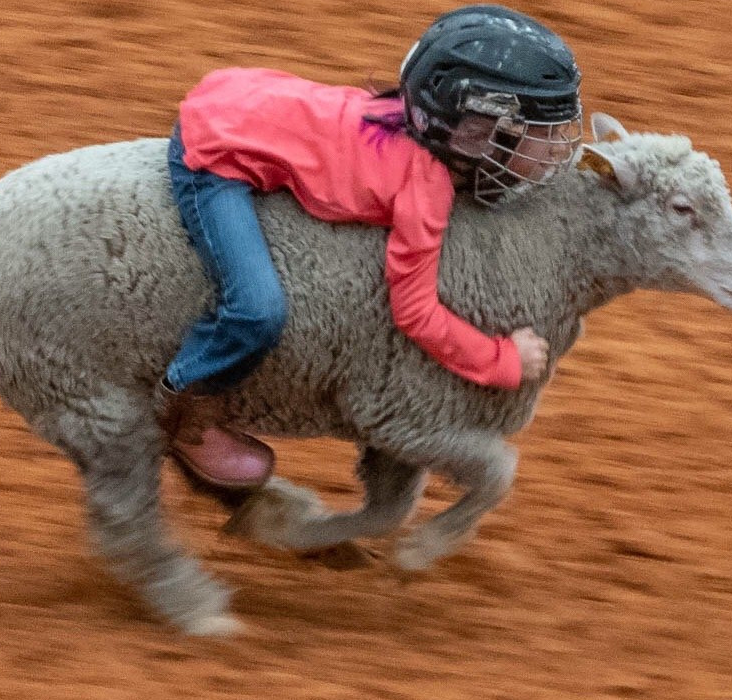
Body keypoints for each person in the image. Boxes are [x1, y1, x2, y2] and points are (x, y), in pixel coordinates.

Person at [160, 4, 583, 490]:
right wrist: (502, 359)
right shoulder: (424, 191)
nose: (555, 149)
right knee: (257, 311)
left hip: (242, 93)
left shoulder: (421, 124)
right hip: (211, 154)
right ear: (474, 134)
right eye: (541, 133)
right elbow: (415, 312)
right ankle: (182, 408)